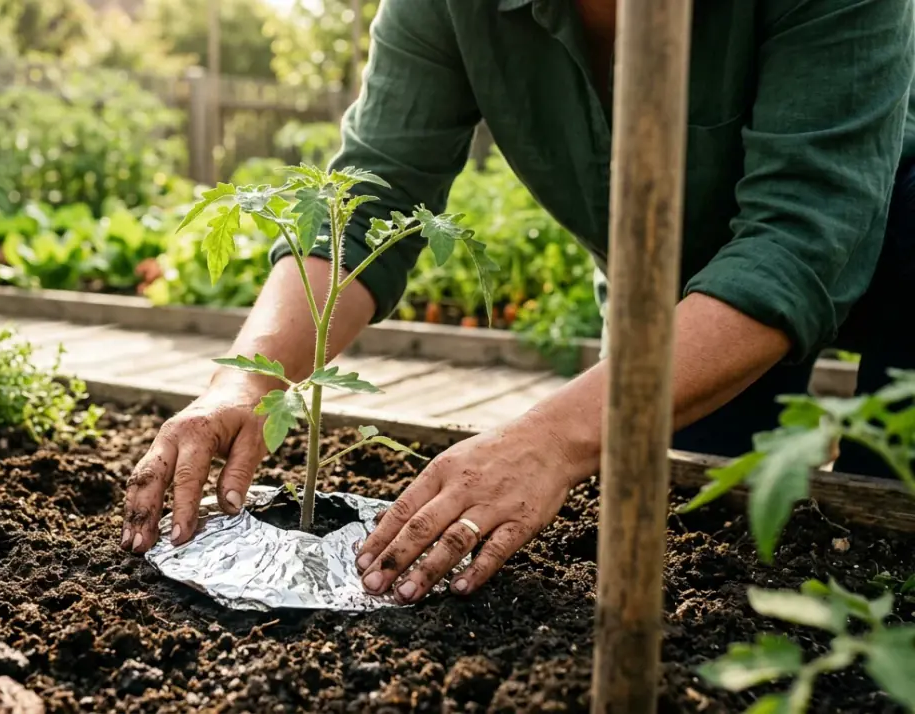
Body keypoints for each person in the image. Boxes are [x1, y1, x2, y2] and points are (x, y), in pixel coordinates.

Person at [120, 0, 915, 603]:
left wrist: (552, 437)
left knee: (892, 524)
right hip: (678, 302)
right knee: (721, 528)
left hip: (901, 247)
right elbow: (372, 196)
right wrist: (248, 378)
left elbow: (801, 240)